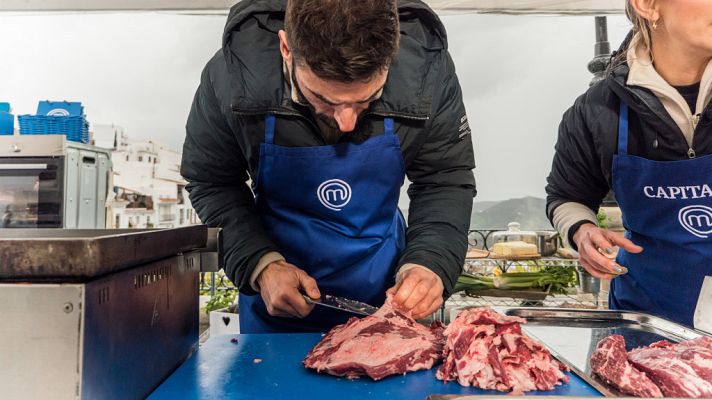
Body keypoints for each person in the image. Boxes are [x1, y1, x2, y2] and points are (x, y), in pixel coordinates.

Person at [182, 0, 476, 333]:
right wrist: (260, 264)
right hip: (275, 309)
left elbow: (444, 179)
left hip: (387, 308)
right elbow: (212, 182)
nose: (347, 122)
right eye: (324, 99)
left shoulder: (428, 74)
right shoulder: (230, 79)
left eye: (368, 99)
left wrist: (430, 262)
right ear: (286, 48)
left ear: (391, 55)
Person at [546, 0, 712, 327]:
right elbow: (567, 196)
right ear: (648, 5)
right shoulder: (596, 112)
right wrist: (583, 231)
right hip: (646, 323)